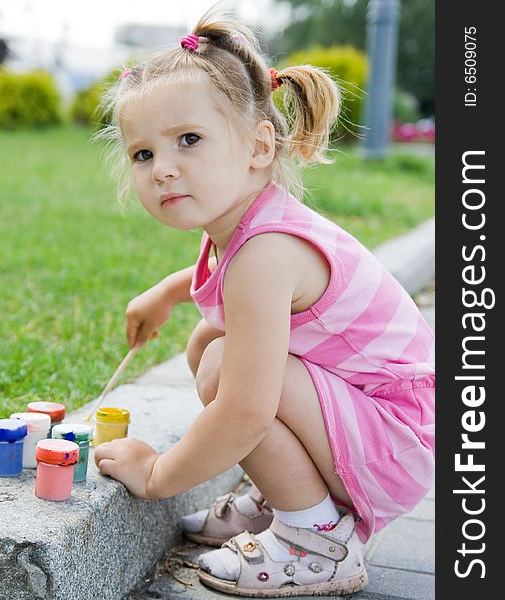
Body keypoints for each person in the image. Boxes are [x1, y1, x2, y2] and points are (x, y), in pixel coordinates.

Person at [92, 6, 435, 597]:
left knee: (229, 365)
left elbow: (246, 410)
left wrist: (157, 475)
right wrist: (171, 291)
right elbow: (237, 287)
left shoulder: (265, 253)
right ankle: (291, 496)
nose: (163, 170)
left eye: (189, 140)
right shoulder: (247, 228)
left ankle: (316, 540)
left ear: (258, 146)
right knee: (210, 341)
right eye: (143, 154)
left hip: (396, 442)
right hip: (385, 426)